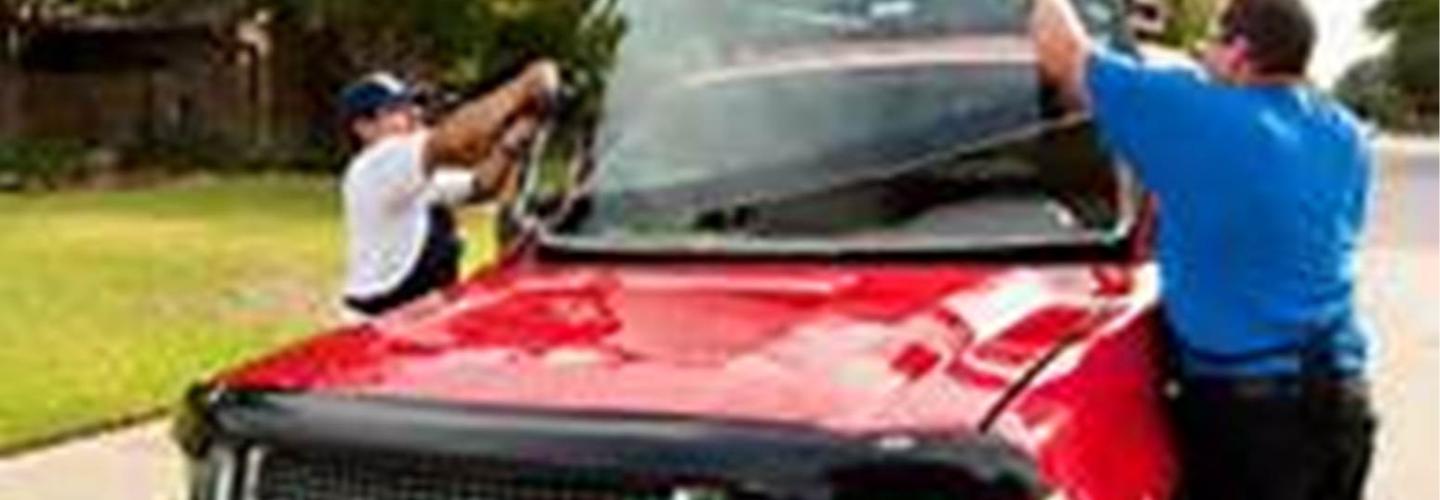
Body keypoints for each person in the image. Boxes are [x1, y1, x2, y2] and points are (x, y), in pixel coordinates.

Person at [1027, 0, 1376, 498]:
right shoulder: (1343, 133)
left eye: (1211, 40)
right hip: (1344, 406)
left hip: (1252, 423)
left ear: (1239, 52)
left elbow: (1062, 54)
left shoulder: (1195, 111)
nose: (1202, 53)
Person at [338, 61, 560, 318]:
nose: (414, 115)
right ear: (363, 127)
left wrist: (513, 140)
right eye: (396, 110)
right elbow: (454, 142)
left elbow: (483, 185)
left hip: (409, 320)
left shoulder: (408, 177)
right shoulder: (377, 166)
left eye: (411, 106)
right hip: (378, 325)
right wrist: (520, 90)